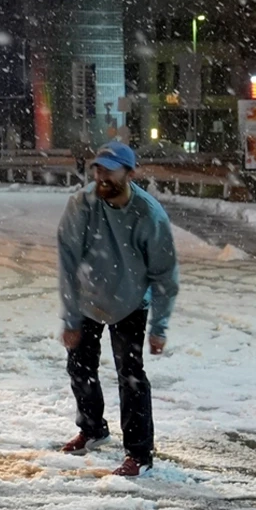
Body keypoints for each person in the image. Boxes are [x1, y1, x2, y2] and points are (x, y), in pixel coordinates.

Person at [57, 141, 178, 477]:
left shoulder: (148, 214)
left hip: (130, 301)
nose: (102, 176)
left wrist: (159, 327)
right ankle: (93, 428)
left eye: (110, 170)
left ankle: (139, 453)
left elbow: (165, 274)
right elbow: (68, 263)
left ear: (130, 172)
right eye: (98, 168)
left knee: (131, 375)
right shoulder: (82, 204)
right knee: (80, 367)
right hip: (87, 298)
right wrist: (70, 317)